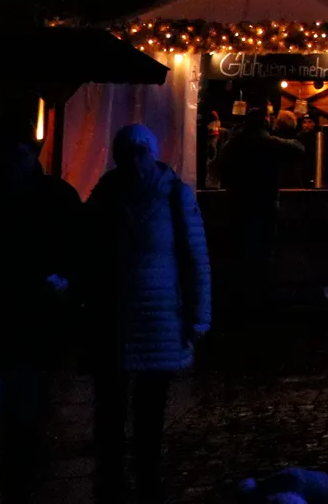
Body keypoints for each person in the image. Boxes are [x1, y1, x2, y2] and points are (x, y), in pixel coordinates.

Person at [81, 125, 211, 504]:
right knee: (111, 414)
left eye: (139, 153)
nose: (133, 162)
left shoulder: (173, 195)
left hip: (157, 321)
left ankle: (145, 483)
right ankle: (114, 486)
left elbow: (195, 257)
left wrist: (200, 313)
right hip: (118, 320)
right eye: (127, 154)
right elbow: (89, 249)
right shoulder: (108, 193)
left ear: (150, 154)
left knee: (148, 417)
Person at [0, 138, 83, 504]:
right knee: (13, 424)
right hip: (21, 330)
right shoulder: (55, 196)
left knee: (0, 424)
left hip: (4, 330)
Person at [215, 109, 304, 308]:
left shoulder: (234, 144)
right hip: (265, 204)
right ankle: (260, 297)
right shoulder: (271, 143)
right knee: (263, 252)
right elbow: (299, 148)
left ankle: (240, 298)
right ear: (264, 123)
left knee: (239, 250)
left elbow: (217, 167)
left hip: (237, 204)